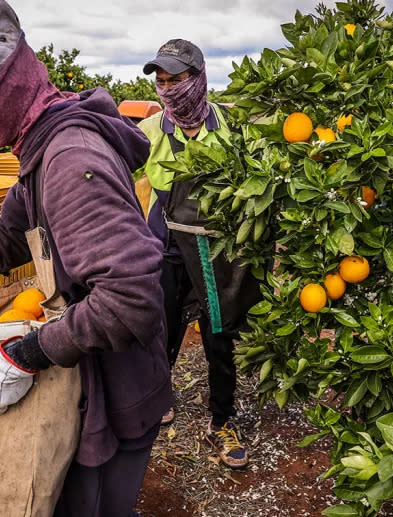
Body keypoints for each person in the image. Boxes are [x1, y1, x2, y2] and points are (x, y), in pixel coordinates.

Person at [0, 1, 171, 515]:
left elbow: (131, 299)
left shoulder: (70, 158)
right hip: (94, 379)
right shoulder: (41, 144)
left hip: (117, 389)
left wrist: (28, 353)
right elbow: (12, 229)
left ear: (7, 74)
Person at [137, 39, 261, 470]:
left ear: (200, 78)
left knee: (218, 333)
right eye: (162, 81)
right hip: (168, 243)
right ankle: (159, 397)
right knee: (162, 325)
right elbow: (112, 167)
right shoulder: (152, 132)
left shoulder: (231, 129)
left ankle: (222, 420)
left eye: (177, 79)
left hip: (217, 248)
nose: (168, 89)